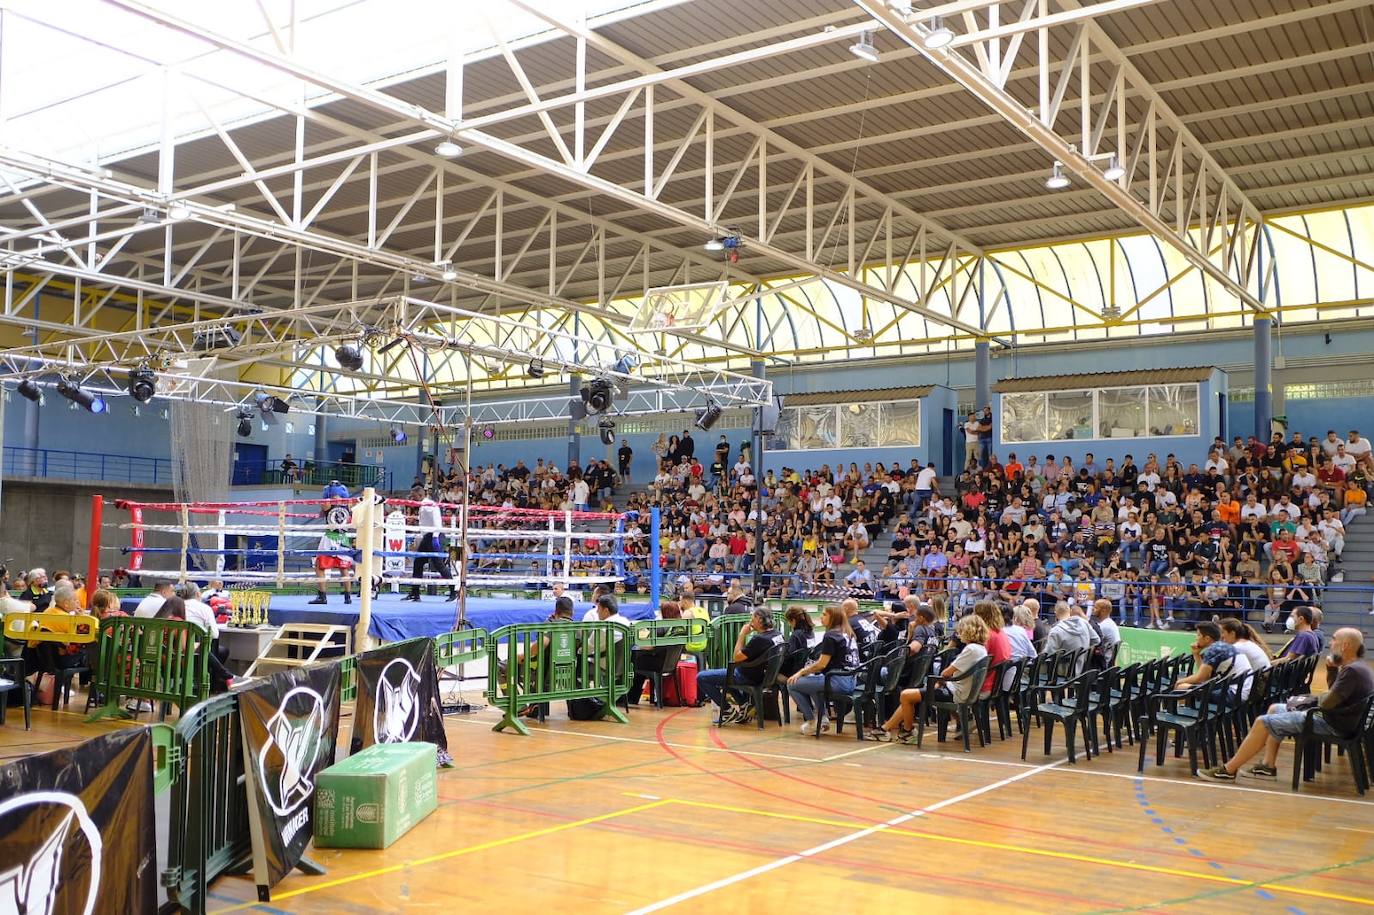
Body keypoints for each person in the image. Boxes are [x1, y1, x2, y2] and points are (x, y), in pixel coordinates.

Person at [1203, 627, 1372, 780]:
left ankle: (1228, 770)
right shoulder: (1358, 667)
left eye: (1334, 639)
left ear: (1345, 645)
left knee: (1262, 722)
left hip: (1333, 724)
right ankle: (1268, 766)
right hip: (1341, 720)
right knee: (1274, 708)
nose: (1330, 642)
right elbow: (1334, 695)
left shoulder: (1351, 671)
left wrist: (1307, 702)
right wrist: (1331, 669)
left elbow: (1327, 704)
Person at [873, 613, 989, 743]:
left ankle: (907, 731)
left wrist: (938, 683)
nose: (958, 633)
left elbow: (946, 673)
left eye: (960, 629)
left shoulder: (971, 649)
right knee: (909, 696)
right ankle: (886, 729)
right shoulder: (981, 649)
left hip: (954, 692)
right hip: (961, 690)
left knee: (906, 695)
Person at [698, 607, 784, 724]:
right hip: (766, 676)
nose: (750, 620)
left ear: (759, 619)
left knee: (701, 677)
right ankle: (744, 705)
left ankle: (727, 711)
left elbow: (736, 657)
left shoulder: (759, 639)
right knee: (722, 676)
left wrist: (742, 634)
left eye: (752, 617)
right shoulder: (778, 634)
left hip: (747, 676)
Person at [786, 606, 860, 735]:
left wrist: (801, 672)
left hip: (838, 681)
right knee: (815, 683)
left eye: (825, 614)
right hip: (851, 680)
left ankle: (811, 721)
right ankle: (823, 719)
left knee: (791, 684)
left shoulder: (830, 635)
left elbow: (821, 664)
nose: (821, 617)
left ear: (833, 617)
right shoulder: (848, 633)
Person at [406, 493, 455, 602]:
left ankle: (453, 591)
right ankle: (415, 593)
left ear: (419, 496)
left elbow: (436, 519)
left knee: (439, 565)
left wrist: (435, 537)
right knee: (418, 562)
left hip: (434, 536)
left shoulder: (428, 505)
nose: (412, 501)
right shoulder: (423, 506)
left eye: (413, 498)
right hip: (428, 536)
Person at [1174, 622, 1237, 688]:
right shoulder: (1222, 645)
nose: (1196, 638)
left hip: (1233, 691)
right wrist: (1196, 654)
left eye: (1198, 635)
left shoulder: (1213, 650)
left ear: (1207, 638)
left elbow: (1201, 678)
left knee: (1181, 687)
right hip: (1239, 688)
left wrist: (1179, 681)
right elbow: (1204, 675)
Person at [1042, 602, 1098, 673]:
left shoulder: (1055, 630)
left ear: (1055, 613)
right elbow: (1097, 640)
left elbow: (1049, 654)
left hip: (1062, 671)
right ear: (1070, 611)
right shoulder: (1084, 623)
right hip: (1082, 667)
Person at [311, 522, 355, 605]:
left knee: (320, 566)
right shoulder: (349, 508)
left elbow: (324, 513)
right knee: (344, 568)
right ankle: (348, 598)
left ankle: (322, 597)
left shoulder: (331, 508)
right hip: (343, 537)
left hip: (330, 536)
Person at [1091, 598, 1120, 667]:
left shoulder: (1104, 625)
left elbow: (1092, 641)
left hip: (1103, 663)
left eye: (1095, 607)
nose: (1092, 609)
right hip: (1107, 659)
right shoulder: (1109, 622)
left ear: (1103, 611)